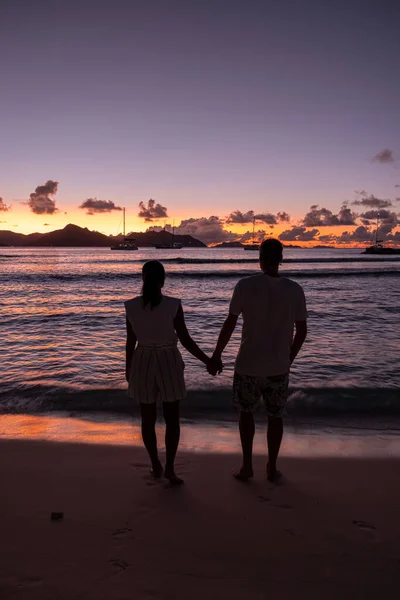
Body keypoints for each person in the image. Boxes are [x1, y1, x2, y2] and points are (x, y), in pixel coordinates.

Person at [209, 239, 307, 482]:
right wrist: (289, 357)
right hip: (278, 366)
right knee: (276, 416)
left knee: (246, 413)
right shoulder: (294, 289)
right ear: (281, 258)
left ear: (260, 258)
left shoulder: (244, 286)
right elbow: (302, 330)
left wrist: (217, 355)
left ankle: (247, 467)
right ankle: (272, 469)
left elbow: (230, 323)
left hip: (248, 364)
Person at [125, 260, 221, 485]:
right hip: (168, 359)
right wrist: (208, 360)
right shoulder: (173, 305)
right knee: (172, 419)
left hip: (143, 359)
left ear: (143, 278)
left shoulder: (131, 306)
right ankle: (169, 468)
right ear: (163, 280)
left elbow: (131, 342)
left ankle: (155, 464)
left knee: (147, 419)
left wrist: (128, 368)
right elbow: (186, 339)